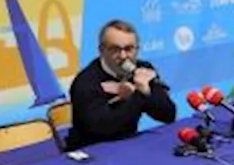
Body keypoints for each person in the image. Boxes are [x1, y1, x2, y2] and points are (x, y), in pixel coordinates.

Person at [67, 20, 177, 150]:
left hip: (128, 146)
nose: (123, 56)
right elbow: (104, 130)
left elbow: (168, 115)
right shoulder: (86, 82)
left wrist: (146, 92)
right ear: (102, 50)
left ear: (137, 49)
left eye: (129, 49)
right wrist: (137, 97)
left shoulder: (143, 70)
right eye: (115, 49)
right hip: (91, 151)